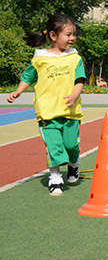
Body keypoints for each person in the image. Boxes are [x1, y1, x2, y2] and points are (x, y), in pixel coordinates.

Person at [7, 14, 86, 196]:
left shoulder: (75, 58)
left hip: (70, 112)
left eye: (74, 34)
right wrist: (18, 91)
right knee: (54, 146)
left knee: (71, 145)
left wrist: (74, 96)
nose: (72, 38)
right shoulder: (40, 58)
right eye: (68, 34)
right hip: (47, 112)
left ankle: (74, 164)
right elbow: (28, 77)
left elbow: (80, 80)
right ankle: (55, 178)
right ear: (53, 36)